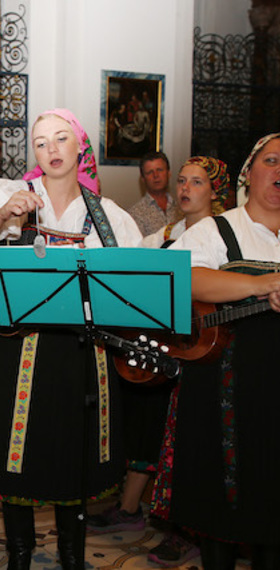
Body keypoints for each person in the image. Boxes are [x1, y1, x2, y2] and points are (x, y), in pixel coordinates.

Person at [0, 108, 141, 570]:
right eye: (41, 142)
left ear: (80, 147)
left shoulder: (108, 215)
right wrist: (6, 212)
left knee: (72, 450)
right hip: (16, 347)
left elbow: (131, 283)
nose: (51, 149)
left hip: (81, 351)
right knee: (15, 451)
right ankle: (19, 552)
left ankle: (71, 554)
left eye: (61, 139)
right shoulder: (9, 195)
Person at [89, 156, 230, 567]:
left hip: (206, 351)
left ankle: (189, 531)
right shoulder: (167, 234)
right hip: (170, 349)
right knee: (152, 430)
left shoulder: (226, 235)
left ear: (215, 191)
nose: (185, 188)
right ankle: (135, 509)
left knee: (193, 443)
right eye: (182, 181)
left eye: (197, 182)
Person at [152, 133, 280, 569]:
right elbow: (184, 278)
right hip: (224, 384)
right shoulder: (216, 229)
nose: (279, 171)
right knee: (222, 498)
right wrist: (264, 284)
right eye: (271, 161)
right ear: (248, 173)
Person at [127, 151, 181, 237]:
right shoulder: (135, 214)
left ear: (169, 173)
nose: (156, 175)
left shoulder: (182, 209)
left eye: (160, 170)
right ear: (143, 178)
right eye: (149, 172)